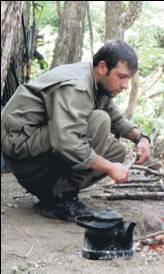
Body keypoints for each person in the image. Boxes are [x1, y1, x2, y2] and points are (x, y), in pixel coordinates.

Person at [1, 40, 151, 222]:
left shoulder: (97, 81)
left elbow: (116, 117)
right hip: (22, 152)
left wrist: (140, 138)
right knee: (99, 121)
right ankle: (56, 198)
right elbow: (67, 143)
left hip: (40, 142)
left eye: (128, 78)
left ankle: (58, 193)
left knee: (115, 152)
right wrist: (110, 168)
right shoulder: (77, 86)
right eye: (121, 76)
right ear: (103, 67)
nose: (125, 85)